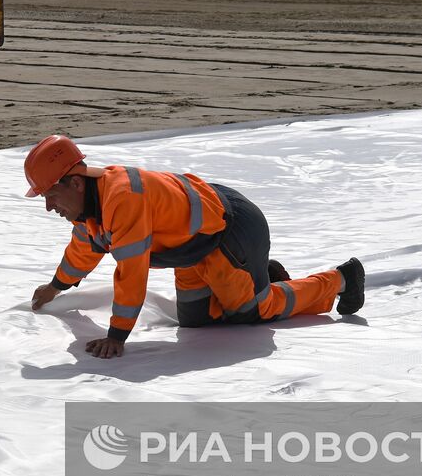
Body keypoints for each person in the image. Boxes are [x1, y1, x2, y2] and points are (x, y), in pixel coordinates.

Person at [24, 135, 365, 358]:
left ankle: (340, 279)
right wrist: (55, 287)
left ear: (75, 183)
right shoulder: (89, 210)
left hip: (232, 231)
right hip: (191, 248)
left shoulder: (122, 198)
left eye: (51, 195)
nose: (49, 207)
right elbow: (83, 250)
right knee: (195, 322)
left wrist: (117, 336)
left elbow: (131, 273)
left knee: (250, 312)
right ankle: (260, 276)